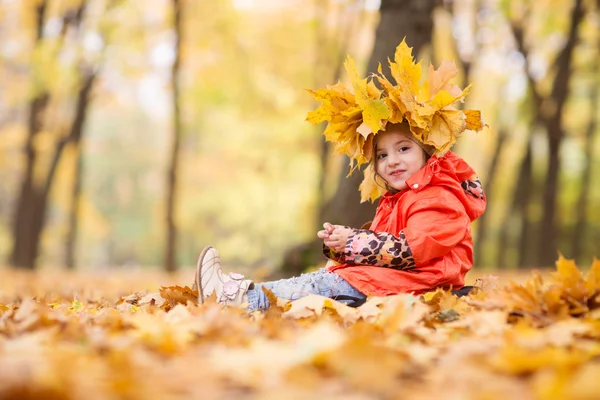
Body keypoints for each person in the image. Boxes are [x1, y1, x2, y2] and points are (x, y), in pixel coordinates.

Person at [192, 39, 487, 311]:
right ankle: (244, 295)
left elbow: (409, 251)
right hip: (390, 282)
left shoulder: (440, 196)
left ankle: (239, 298)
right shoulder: (401, 199)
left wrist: (354, 241)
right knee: (319, 280)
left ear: (427, 152)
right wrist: (342, 248)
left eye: (403, 149)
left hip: (418, 287)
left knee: (324, 285)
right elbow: (383, 251)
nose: (391, 161)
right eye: (382, 155)